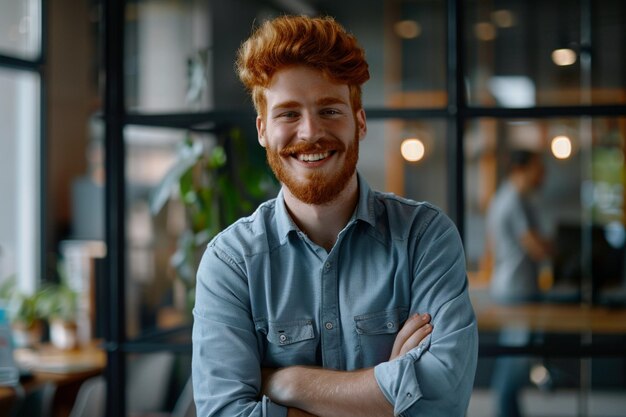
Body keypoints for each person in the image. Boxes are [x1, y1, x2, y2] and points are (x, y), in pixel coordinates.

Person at [192, 15, 478, 417]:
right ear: (262, 130)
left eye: (329, 110)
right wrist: (388, 387)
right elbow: (224, 413)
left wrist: (285, 382)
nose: (310, 133)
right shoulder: (231, 263)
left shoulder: (424, 238)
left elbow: (439, 403)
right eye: (288, 114)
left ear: (359, 122)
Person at [486, 149, 551, 417]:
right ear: (520, 169)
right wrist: (553, 246)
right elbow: (536, 247)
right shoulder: (513, 201)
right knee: (515, 361)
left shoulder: (509, 199)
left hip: (514, 288)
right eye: (538, 168)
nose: (543, 174)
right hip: (516, 290)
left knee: (514, 359)